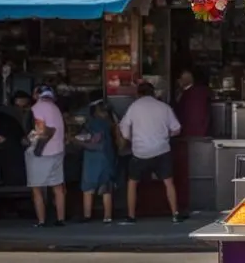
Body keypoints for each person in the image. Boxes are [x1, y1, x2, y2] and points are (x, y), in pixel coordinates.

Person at [119, 82, 183, 223]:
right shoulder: (163, 107)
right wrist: (166, 136)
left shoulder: (134, 107)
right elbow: (177, 129)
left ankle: (131, 216)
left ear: (138, 93)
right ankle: (175, 214)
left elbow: (124, 128)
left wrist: (132, 139)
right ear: (153, 93)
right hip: (161, 149)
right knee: (168, 182)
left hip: (140, 152)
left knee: (132, 182)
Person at [26, 86, 67, 227]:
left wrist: (37, 149)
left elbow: (43, 130)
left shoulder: (37, 108)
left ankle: (41, 221)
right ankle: (60, 219)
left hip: (43, 153)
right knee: (58, 187)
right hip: (58, 150)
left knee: (36, 188)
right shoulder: (55, 108)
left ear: (37, 95)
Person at [77, 100, 116, 224]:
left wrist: (78, 142)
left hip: (91, 158)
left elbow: (90, 141)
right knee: (106, 187)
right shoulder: (111, 123)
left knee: (88, 188)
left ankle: (87, 215)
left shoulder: (91, 123)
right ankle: (107, 216)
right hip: (107, 156)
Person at [173, 69, 211, 137]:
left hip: (188, 132)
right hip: (202, 131)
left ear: (182, 80)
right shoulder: (201, 92)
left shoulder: (187, 94)